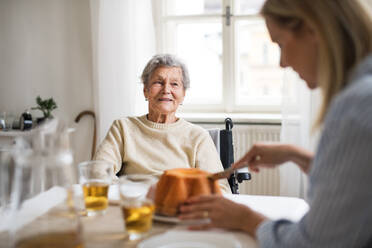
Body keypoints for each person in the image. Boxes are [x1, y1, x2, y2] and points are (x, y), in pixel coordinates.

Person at [179, 0, 372, 247]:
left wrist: (244, 218)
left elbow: (314, 243)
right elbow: (357, 187)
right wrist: (298, 156)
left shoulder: (355, 108)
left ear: (314, 29)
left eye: (280, 43)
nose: (282, 62)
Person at [93, 54, 230, 193]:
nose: (166, 90)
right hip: (137, 206)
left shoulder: (198, 136)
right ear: (145, 90)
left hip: (179, 208)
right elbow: (98, 171)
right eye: (158, 82)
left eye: (174, 84)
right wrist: (131, 194)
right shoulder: (123, 128)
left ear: (183, 94)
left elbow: (220, 188)